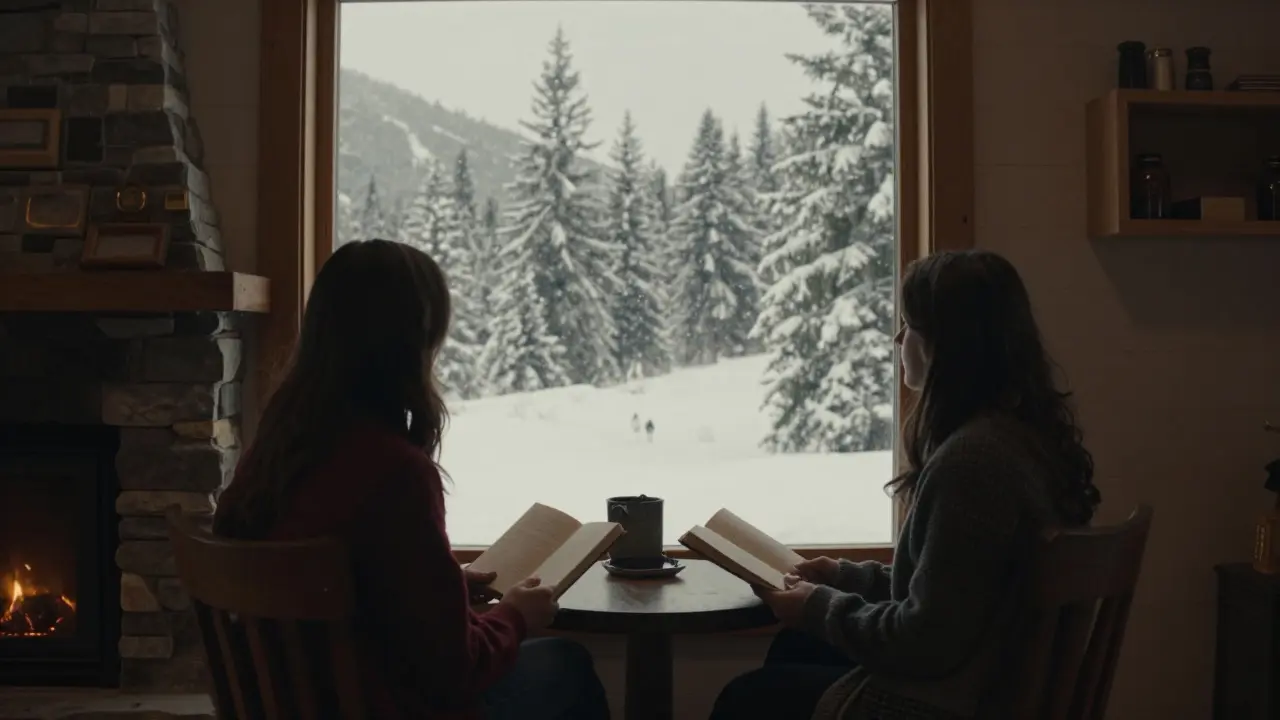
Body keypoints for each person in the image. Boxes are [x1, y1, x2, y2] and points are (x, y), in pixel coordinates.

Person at [213, 239, 610, 720]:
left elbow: (340, 584)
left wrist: (444, 587)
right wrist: (515, 617)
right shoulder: (393, 472)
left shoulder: (277, 447)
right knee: (565, 665)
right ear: (413, 345)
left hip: (291, 702)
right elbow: (453, 673)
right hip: (378, 704)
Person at [709, 249, 1101, 720]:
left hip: (952, 702)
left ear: (947, 345)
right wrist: (843, 577)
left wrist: (817, 606)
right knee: (796, 646)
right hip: (988, 681)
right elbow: (957, 590)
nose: (898, 339)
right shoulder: (1018, 439)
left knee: (748, 699)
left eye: (908, 325)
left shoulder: (974, 464)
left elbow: (926, 640)